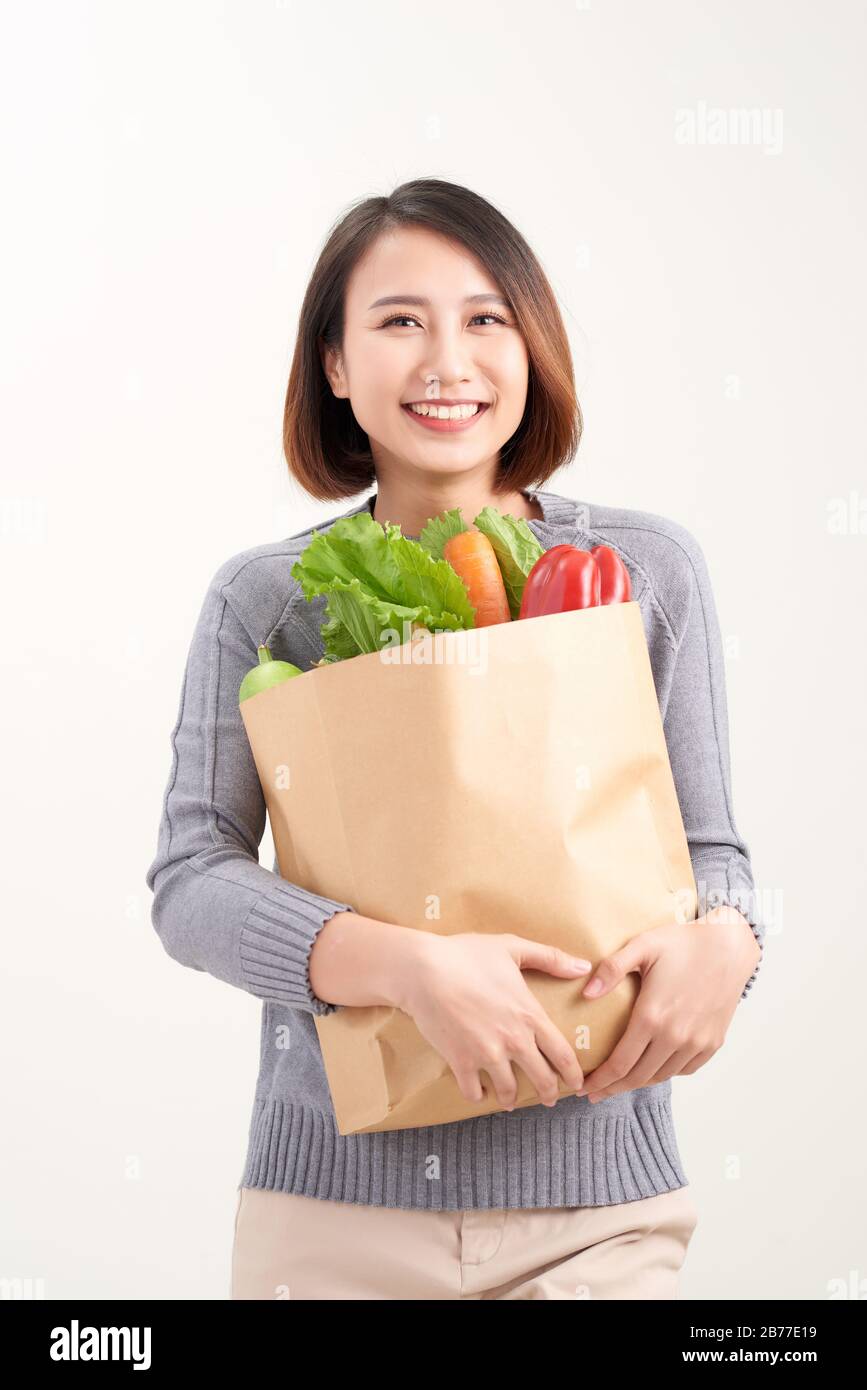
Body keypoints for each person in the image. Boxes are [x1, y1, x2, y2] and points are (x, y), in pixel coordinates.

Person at [145, 178, 765, 1300]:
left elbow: (711, 848)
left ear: (532, 347)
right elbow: (190, 883)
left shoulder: (646, 573)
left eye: (486, 318)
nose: (448, 361)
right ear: (333, 363)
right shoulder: (263, 599)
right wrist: (408, 967)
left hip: (600, 1211)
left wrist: (730, 940)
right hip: (330, 1216)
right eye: (399, 321)